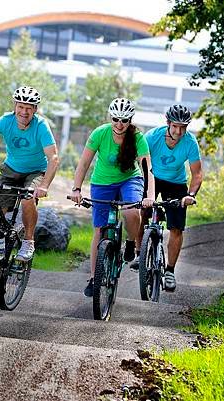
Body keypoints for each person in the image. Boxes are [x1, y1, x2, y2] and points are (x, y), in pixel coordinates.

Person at [70, 98, 155, 297]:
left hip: (129, 180)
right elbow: (83, 164)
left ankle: (132, 243)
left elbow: (147, 169)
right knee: (99, 230)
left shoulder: (137, 138)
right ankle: (94, 278)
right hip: (102, 182)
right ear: (111, 117)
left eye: (124, 120)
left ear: (130, 120)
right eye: (116, 119)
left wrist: (149, 196)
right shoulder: (100, 133)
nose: (119, 124)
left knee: (131, 210)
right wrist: (76, 189)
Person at [133, 104, 202, 292]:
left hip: (176, 183)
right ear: (168, 123)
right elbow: (139, 162)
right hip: (152, 177)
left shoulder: (189, 142)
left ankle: (170, 271)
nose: (179, 131)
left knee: (176, 228)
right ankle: (140, 253)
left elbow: (197, 174)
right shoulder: (152, 138)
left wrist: (190, 195)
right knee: (142, 213)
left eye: (183, 127)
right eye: (175, 126)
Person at [0, 86, 60, 262]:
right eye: (20, 107)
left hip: (35, 172)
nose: (24, 112)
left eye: (29, 108)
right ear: (15, 106)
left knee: (28, 198)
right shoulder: (5, 121)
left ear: (35, 109)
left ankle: (28, 241)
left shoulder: (41, 126)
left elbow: (54, 158)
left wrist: (43, 186)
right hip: (11, 169)